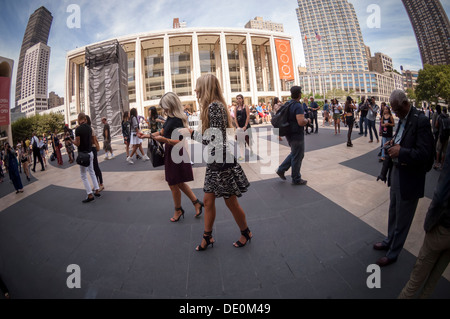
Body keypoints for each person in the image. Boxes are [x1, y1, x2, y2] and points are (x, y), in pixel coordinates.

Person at [184, 74, 251, 251]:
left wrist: (191, 133)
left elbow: (213, 140)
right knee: (207, 201)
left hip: (221, 162)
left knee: (231, 202)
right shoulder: (216, 106)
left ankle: (245, 232)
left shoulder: (214, 107)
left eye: (197, 86)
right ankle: (207, 237)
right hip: (217, 160)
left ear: (205, 88)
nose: (195, 90)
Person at [373, 90, 435, 267]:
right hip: (398, 171)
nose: (395, 113)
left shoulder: (420, 120)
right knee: (393, 210)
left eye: (397, 110)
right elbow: (401, 139)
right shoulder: (403, 118)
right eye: (393, 110)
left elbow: (425, 153)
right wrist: (393, 144)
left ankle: (393, 253)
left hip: (411, 177)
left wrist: (402, 151)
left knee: (403, 218)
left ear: (405, 104)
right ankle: (388, 241)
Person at [138, 92, 203, 222]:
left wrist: (165, 140)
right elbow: (162, 132)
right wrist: (147, 136)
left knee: (174, 183)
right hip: (171, 152)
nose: (163, 109)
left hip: (176, 152)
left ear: (170, 105)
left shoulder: (177, 120)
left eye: (165, 106)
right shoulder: (170, 118)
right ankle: (195, 203)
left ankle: (179, 209)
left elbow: (180, 141)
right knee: (176, 182)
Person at [398, 144, 450, 299]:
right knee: (433, 280)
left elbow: (442, 192)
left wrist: (430, 220)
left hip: (443, 225)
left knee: (415, 280)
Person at [276, 86, 311, 186]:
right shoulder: (297, 106)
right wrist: (307, 120)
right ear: (299, 94)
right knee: (297, 155)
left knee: (296, 153)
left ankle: (281, 169)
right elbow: (300, 122)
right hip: (296, 134)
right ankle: (296, 178)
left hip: (289, 133)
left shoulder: (288, 104)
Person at [71, 113, 101, 203]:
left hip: (83, 155)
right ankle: (96, 190)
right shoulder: (89, 128)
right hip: (90, 152)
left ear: (79, 119)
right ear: (85, 119)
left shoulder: (78, 129)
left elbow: (78, 143)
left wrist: (71, 141)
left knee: (83, 175)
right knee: (92, 172)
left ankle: (89, 194)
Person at [86, 115, 104, 192]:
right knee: (92, 168)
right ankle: (96, 184)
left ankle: (101, 184)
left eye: (85, 120)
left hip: (92, 148)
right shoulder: (86, 129)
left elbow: (93, 140)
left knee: (96, 166)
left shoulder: (91, 129)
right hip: (88, 149)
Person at [234, 94, 253, 161]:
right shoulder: (236, 108)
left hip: (246, 126)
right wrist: (238, 127)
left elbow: (248, 116)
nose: (238, 100)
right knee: (240, 141)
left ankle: (251, 150)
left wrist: (245, 126)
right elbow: (235, 118)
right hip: (239, 126)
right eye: (237, 98)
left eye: (239, 98)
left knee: (247, 139)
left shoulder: (246, 106)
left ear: (242, 99)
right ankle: (242, 155)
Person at [434, 106, 449, 170]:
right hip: (447, 137)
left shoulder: (439, 116)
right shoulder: (448, 118)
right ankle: (442, 165)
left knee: (438, 150)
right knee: (444, 151)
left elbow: (436, 125)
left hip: (441, 135)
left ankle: (437, 163)